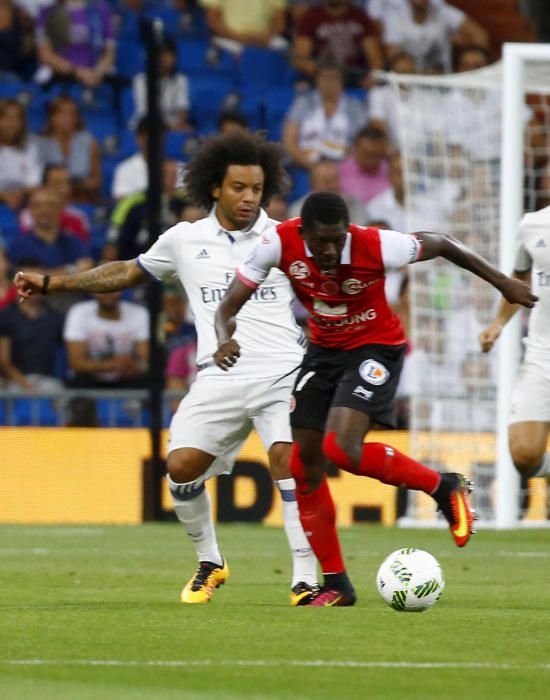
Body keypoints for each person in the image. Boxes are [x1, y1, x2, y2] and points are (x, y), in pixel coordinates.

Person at [14, 130, 319, 607]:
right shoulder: (184, 238)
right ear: (214, 187)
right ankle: (211, 562)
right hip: (218, 374)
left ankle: (305, 577)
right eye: (238, 187)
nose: (248, 197)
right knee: (179, 469)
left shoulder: (284, 236)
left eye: (256, 189)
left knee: (286, 457)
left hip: (282, 372)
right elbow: (125, 272)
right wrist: (55, 283)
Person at [213, 191, 537, 605]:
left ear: (347, 230)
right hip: (324, 352)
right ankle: (336, 585)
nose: (330, 250)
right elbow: (227, 307)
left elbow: (440, 243)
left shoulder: (376, 244)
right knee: (302, 463)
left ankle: (443, 487)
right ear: (303, 232)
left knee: (341, 448)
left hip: (374, 348)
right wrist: (225, 339)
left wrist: (504, 283)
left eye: (337, 239)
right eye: (320, 242)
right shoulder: (278, 243)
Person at [479, 205, 550, 486]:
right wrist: (497, 323)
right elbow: (519, 278)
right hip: (542, 351)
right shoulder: (533, 224)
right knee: (524, 455)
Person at [282, 59, 367, 169]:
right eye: (324, 78)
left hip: (344, 167)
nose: (329, 83)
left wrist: (342, 168)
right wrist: (312, 166)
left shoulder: (355, 106)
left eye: (334, 78)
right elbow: (289, 140)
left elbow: (362, 143)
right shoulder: (303, 102)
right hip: (305, 165)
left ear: (342, 80)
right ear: (316, 80)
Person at [63, 291, 149, 389]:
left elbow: (145, 361)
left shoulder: (139, 313)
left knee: (149, 381)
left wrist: (135, 367)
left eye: (113, 289)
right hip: (89, 380)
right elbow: (76, 363)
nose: (107, 293)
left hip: (128, 378)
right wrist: (114, 365)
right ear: (93, 291)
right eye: (102, 289)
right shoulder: (79, 312)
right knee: (77, 381)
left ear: (121, 290)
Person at [292, 0, 383, 88]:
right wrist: (322, 70)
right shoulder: (309, 18)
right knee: (302, 86)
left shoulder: (361, 18)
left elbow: (375, 58)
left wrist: (372, 78)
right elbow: (300, 59)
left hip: (353, 76)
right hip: (321, 74)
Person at [35, 0, 115, 89]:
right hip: (60, 79)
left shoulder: (102, 10)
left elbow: (109, 52)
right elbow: (45, 54)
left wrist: (98, 72)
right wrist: (78, 72)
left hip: (95, 78)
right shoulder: (46, 12)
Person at [37, 96, 102, 204]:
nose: (68, 118)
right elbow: (37, 180)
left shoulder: (89, 141)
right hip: (49, 200)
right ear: (52, 117)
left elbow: (96, 181)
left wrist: (73, 186)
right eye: (62, 114)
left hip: (80, 198)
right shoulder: (40, 143)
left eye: (72, 114)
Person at [19, 164, 91, 243]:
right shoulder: (29, 215)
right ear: (45, 186)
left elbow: (84, 249)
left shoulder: (79, 217)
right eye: (57, 183)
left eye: (66, 183)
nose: (64, 189)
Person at [0, 98, 43, 210]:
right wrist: (4, 196)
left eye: (16, 118)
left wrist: (20, 194)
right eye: (6, 118)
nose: (12, 123)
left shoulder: (32, 145)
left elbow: (34, 183)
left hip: (26, 202)